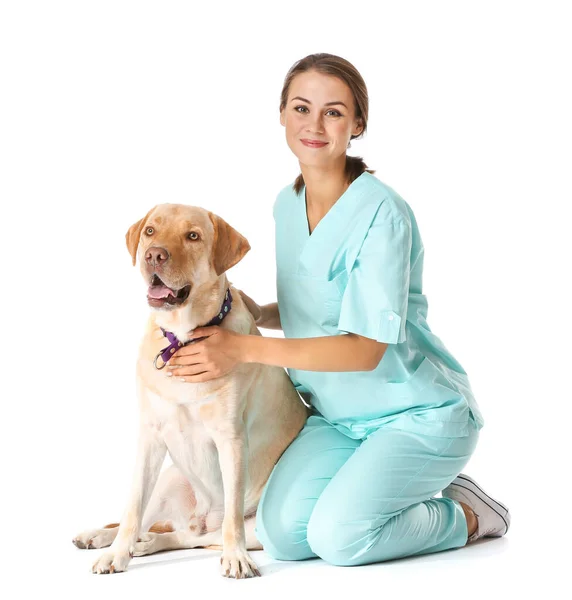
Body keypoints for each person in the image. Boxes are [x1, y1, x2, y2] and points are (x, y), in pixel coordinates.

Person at [165, 53, 511, 566]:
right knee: (283, 537)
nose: (315, 125)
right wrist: (251, 313)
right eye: (302, 108)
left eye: (333, 112)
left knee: (340, 540)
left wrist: (241, 348)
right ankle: (382, 489)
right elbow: (317, 300)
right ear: (281, 114)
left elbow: (366, 348)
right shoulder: (287, 203)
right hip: (336, 419)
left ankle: (466, 514)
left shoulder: (382, 214)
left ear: (357, 124)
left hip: (414, 414)